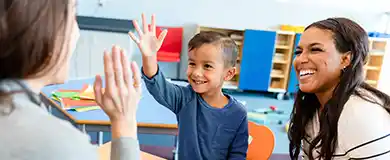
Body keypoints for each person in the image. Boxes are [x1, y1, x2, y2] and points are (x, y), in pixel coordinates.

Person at [0, 0, 141, 159]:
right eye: (72, 15)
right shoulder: (59, 145)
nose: (77, 33)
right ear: (42, 26)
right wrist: (124, 123)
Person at [129, 14, 248, 159]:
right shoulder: (185, 98)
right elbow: (157, 84)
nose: (197, 73)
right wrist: (149, 57)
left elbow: (238, 155)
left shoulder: (238, 113)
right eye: (192, 63)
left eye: (207, 66)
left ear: (228, 74)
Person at [288, 17, 390, 160]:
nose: (301, 59)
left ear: (345, 59)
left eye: (315, 49)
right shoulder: (312, 109)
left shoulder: (362, 116)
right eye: (298, 52)